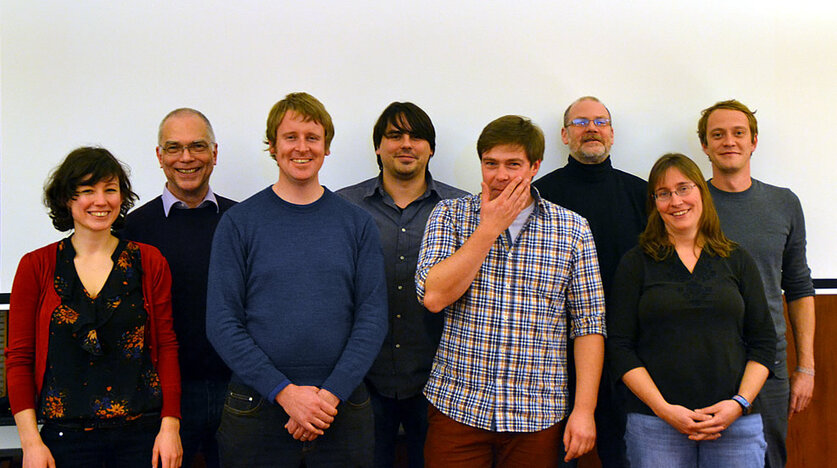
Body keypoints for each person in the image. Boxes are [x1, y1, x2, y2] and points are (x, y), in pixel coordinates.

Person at [206, 92, 388, 467]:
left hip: (341, 407)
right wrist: (286, 394)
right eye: (290, 137)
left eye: (312, 137)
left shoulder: (357, 224)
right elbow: (222, 323)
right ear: (273, 146)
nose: (301, 147)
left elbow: (372, 319)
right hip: (256, 407)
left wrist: (328, 396)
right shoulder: (239, 223)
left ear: (326, 147)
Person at [416, 115, 606, 467]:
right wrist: (489, 228)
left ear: (534, 166)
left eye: (513, 164)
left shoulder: (573, 229)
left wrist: (584, 410)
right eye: (491, 164)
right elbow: (434, 297)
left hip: (537, 413)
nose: (500, 175)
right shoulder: (449, 214)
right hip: (458, 406)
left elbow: (589, 326)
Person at [7, 147, 182, 468]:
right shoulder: (35, 266)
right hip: (64, 440)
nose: (101, 201)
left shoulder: (149, 261)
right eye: (87, 191)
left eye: (110, 190)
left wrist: (170, 427)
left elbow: (167, 347)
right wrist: (30, 443)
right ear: (66, 199)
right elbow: (19, 358)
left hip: (141, 437)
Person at [607, 153, 777, 467]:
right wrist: (663, 409)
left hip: (734, 423)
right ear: (654, 203)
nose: (676, 201)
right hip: (655, 425)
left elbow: (764, 342)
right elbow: (619, 347)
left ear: (701, 191)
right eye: (663, 193)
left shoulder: (737, 259)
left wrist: (738, 404)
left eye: (684, 188)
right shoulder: (635, 263)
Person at [337, 101, 467, 468]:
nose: (406, 144)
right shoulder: (342, 207)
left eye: (416, 136)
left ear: (431, 148)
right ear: (378, 147)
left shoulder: (462, 208)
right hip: (362, 380)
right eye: (395, 135)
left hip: (441, 381)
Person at [698, 100, 816, 468]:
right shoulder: (688, 204)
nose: (728, 141)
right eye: (718, 134)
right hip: (704, 364)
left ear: (753, 142)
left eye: (738, 133)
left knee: (768, 460)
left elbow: (798, 286)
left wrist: (806, 367)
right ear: (704, 146)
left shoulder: (784, 203)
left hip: (769, 367)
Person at [533, 96, 645, 467]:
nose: (592, 128)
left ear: (612, 133)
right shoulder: (540, 197)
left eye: (600, 121)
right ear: (565, 135)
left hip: (628, 357)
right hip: (554, 361)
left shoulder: (642, 195)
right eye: (581, 122)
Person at [121, 108, 236, 468]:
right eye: (174, 148)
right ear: (160, 156)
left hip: (237, 390)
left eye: (197, 146)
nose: (186, 158)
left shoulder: (241, 221)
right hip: (162, 399)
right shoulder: (131, 231)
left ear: (214, 153)